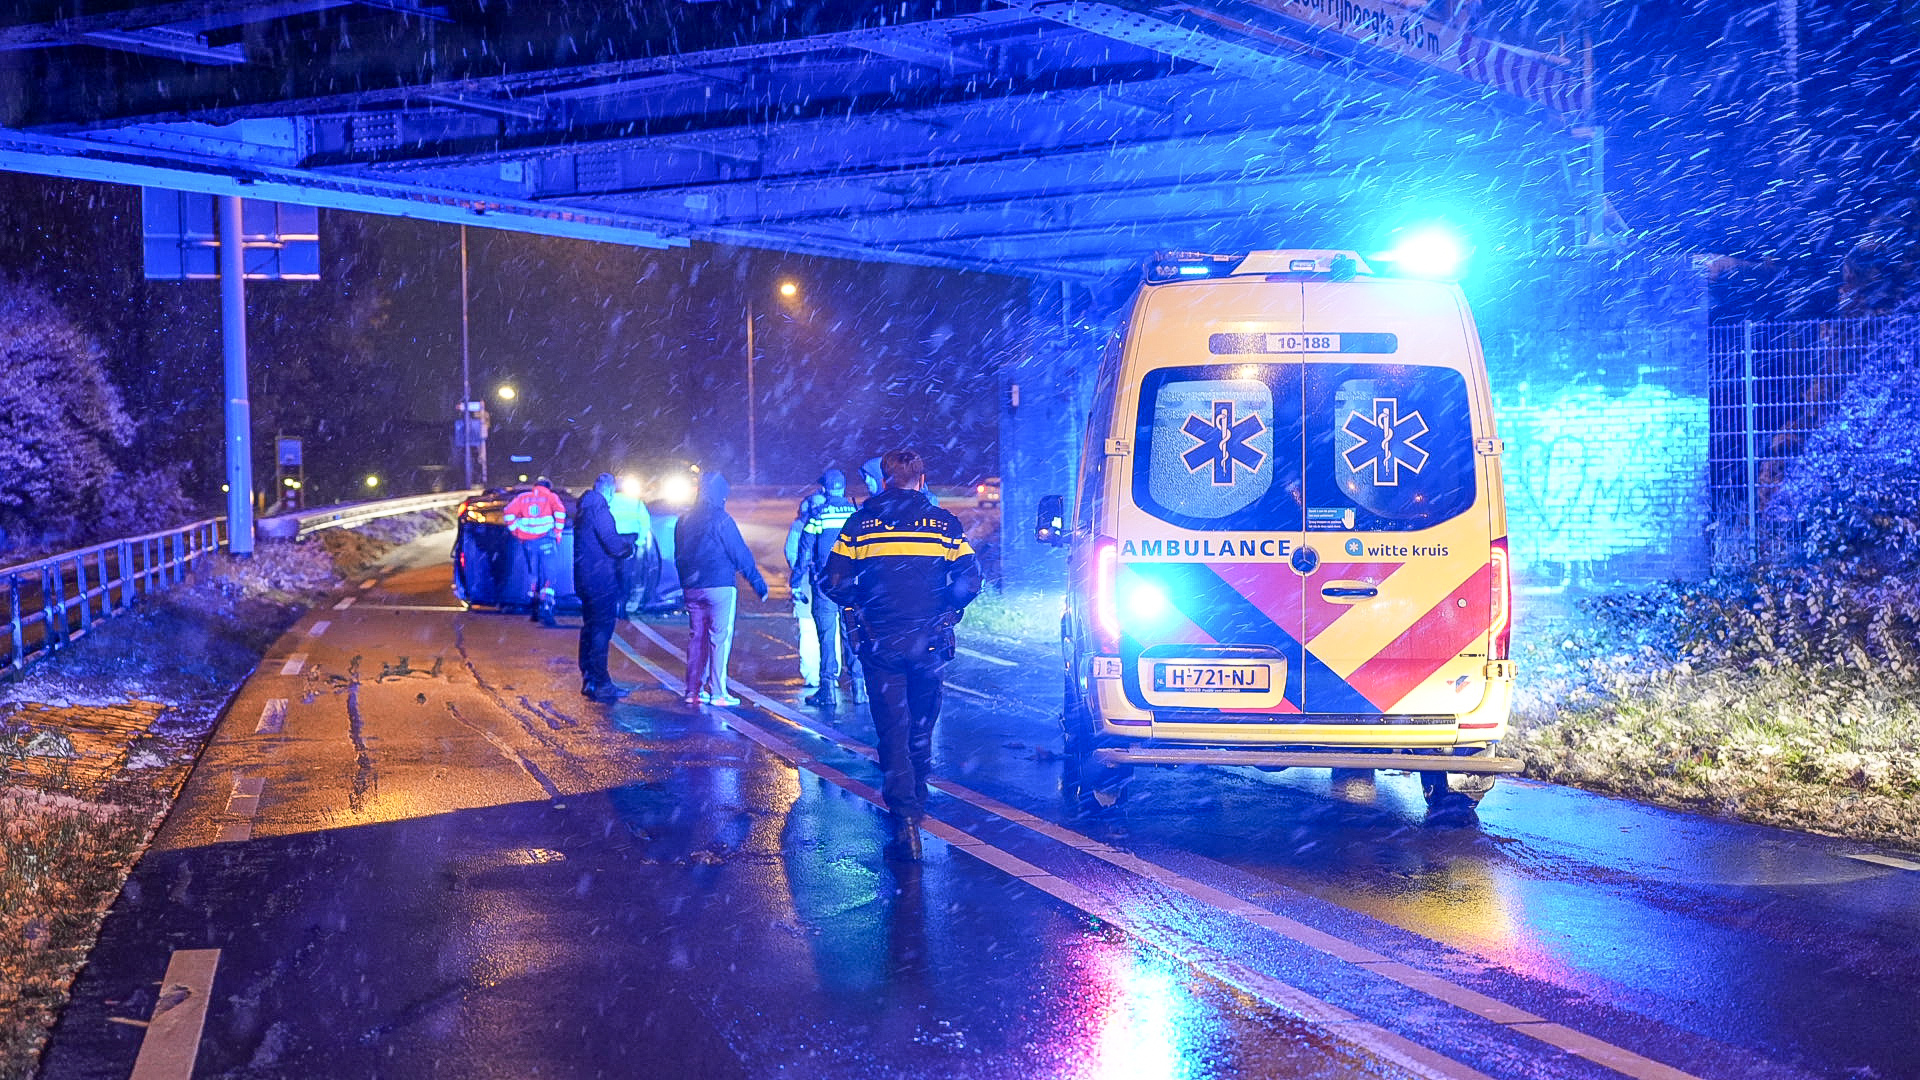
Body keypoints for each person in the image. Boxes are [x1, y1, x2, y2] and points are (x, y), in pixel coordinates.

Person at [823, 449, 982, 860]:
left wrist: (866, 602)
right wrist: (947, 607)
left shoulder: (860, 524)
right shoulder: (943, 524)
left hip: (880, 643)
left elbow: (834, 581)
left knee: (892, 731)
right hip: (928, 642)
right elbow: (970, 580)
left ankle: (905, 820)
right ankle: (918, 796)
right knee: (921, 727)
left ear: (884, 480)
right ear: (921, 479)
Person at [674, 472, 769, 707]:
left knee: (697, 638)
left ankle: (693, 690)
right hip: (719, 585)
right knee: (719, 638)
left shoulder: (684, 519)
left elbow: (679, 554)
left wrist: (686, 581)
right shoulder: (722, 519)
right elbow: (739, 553)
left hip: (692, 587)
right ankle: (718, 692)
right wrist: (757, 582)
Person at [792, 468, 864, 708]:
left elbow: (804, 552)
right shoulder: (856, 514)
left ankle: (827, 690)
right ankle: (859, 689)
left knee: (826, 637)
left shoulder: (818, 515)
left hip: (825, 585)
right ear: (843, 488)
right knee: (852, 634)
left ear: (824, 489)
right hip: (851, 585)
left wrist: (795, 582)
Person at [574, 472, 638, 702]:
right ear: (609, 490)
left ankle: (589, 679)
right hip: (600, 580)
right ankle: (601, 683)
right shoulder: (599, 508)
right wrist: (628, 546)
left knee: (590, 628)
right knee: (602, 629)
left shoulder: (584, 508)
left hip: (585, 578)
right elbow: (613, 544)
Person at [783, 478, 829, 687]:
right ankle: (826, 674)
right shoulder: (828, 521)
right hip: (824, 582)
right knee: (826, 629)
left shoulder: (801, 525)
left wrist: (801, 571)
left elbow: (792, 553)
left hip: (807, 583)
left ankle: (813, 674)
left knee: (809, 629)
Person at [502, 477, 567, 626]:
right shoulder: (550, 496)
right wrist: (558, 532)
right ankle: (547, 606)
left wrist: (517, 531)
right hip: (546, 540)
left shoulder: (523, 497)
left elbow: (508, 513)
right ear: (548, 487)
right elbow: (560, 512)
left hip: (528, 543)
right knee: (549, 573)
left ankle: (534, 608)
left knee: (533, 574)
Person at [609, 476, 654, 617]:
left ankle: (609, 608)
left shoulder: (608, 501)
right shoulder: (636, 502)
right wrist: (640, 541)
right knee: (626, 574)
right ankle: (622, 609)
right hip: (629, 542)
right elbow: (645, 522)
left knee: (610, 574)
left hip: (610, 541)